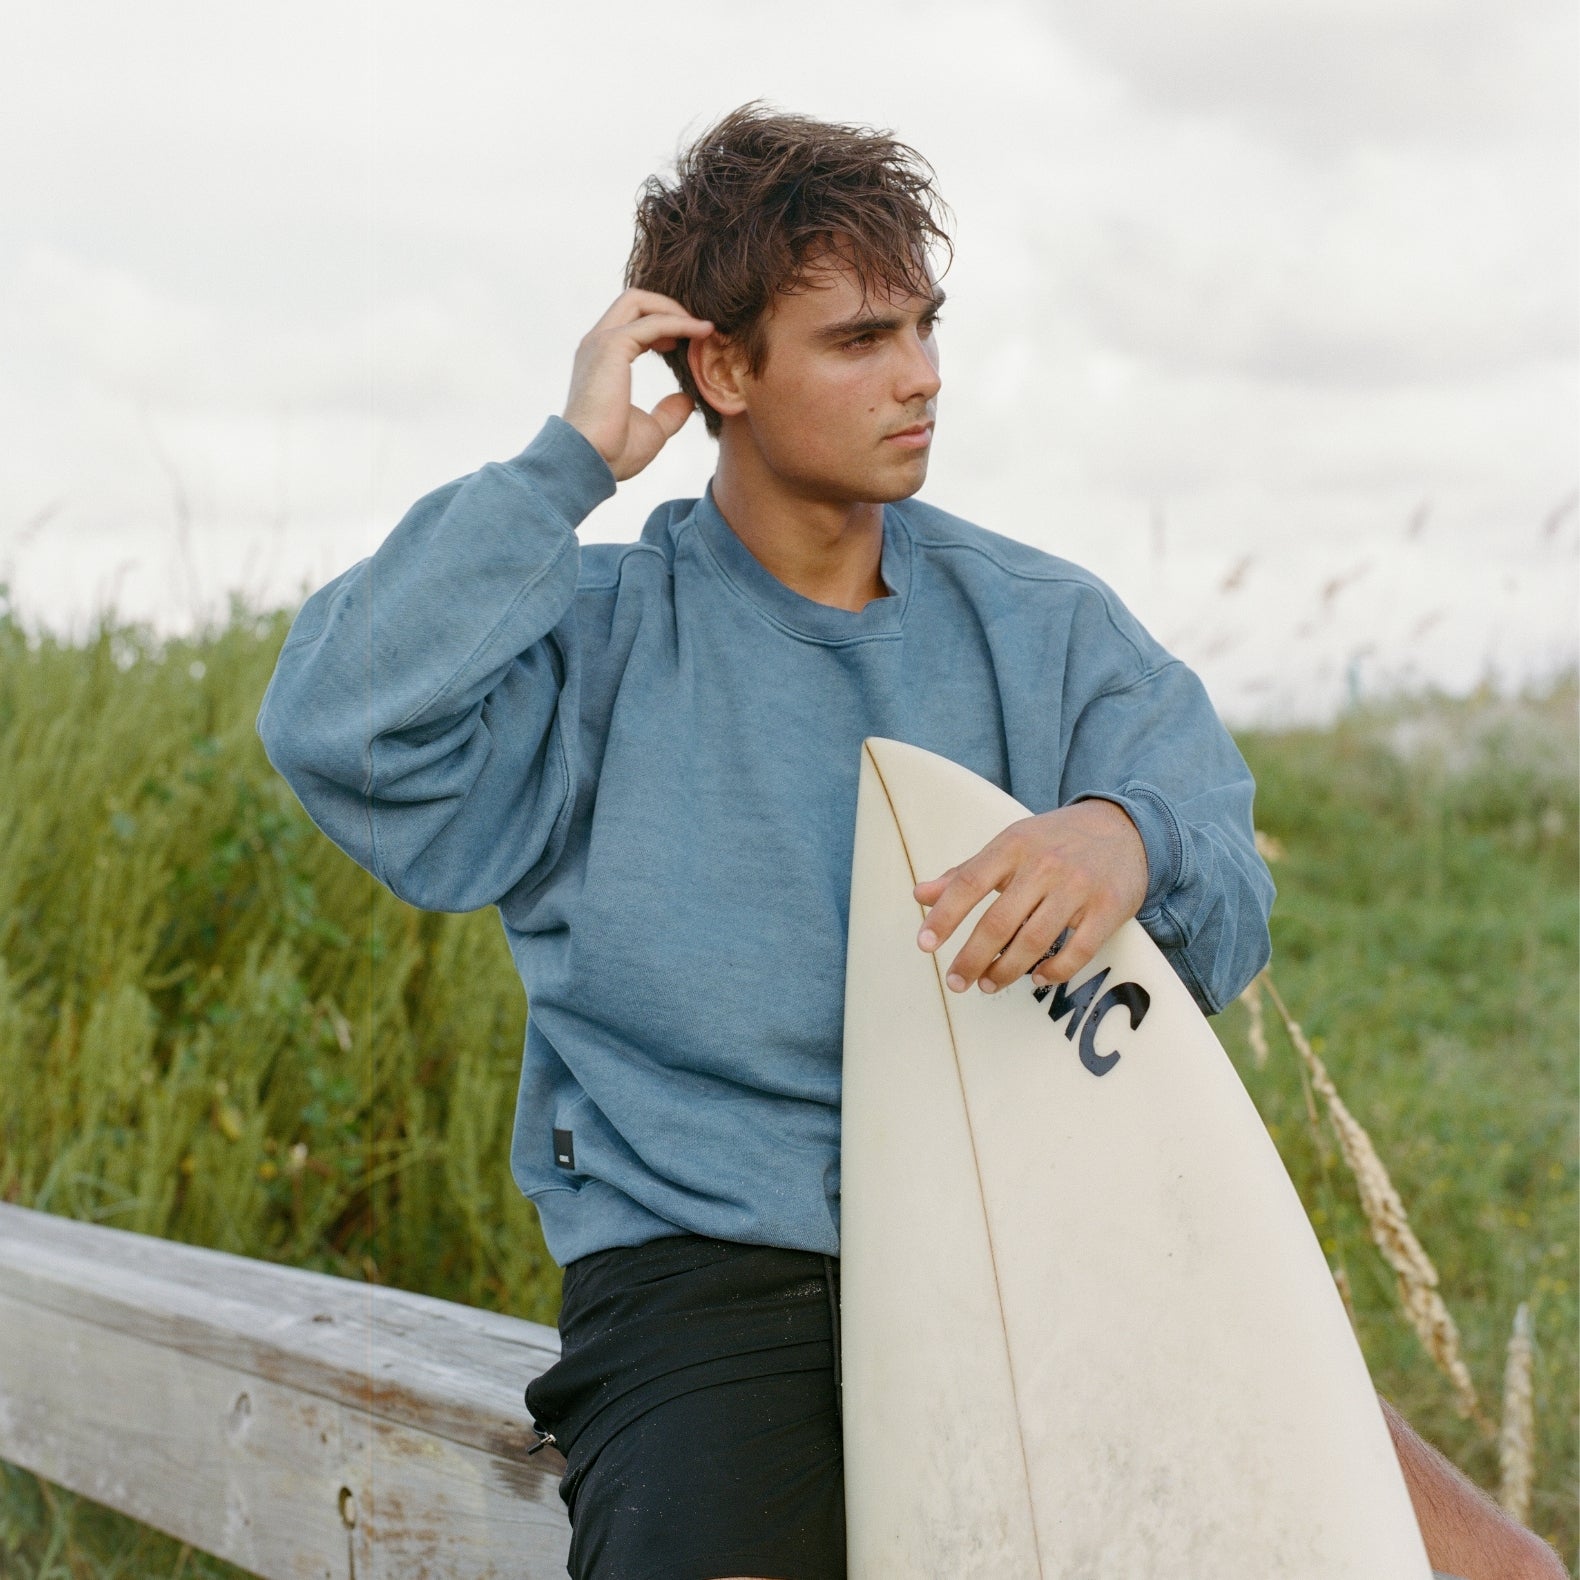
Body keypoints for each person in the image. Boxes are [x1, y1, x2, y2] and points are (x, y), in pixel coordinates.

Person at [257, 104, 1563, 1580]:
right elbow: (337, 726)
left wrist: (1122, 839)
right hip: (728, 1285)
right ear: (722, 368)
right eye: (861, 340)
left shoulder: (1044, 626)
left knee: (1496, 1572)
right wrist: (569, 466)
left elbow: (1226, 882)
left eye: (927, 327)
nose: (922, 377)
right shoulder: (600, 645)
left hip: (1071, 1246)